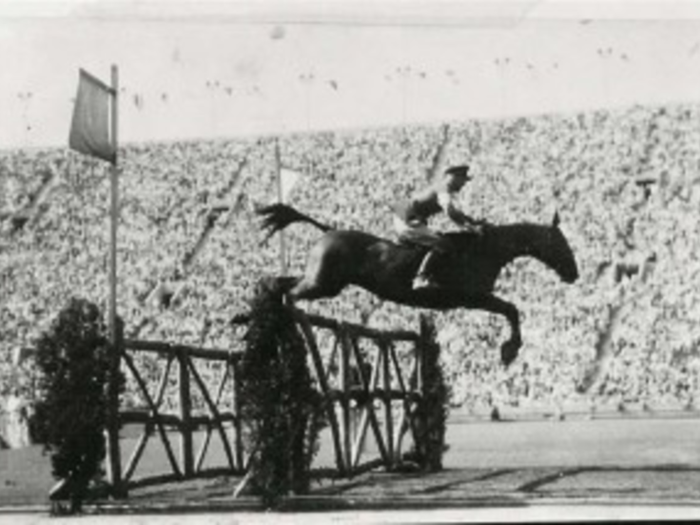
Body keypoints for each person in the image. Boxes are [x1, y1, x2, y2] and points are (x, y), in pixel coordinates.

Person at [393, 165, 483, 290]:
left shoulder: (441, 188)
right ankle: (420, 278)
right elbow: (450, 211)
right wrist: (470, 227)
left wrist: (471, 221)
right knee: (443, 243)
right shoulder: (443, 189)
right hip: (406, 219)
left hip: (406, 217)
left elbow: (456, 213)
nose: (463, 184)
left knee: (436, 238)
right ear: (453, 177)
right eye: (463, 180)